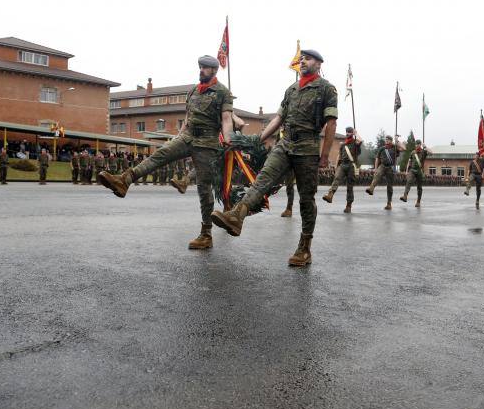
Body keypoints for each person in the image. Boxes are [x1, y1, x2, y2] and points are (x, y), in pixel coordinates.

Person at [211, 49, 338, 266]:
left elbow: (331, 123)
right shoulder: (292, 90)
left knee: (306, 199)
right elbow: (279, 118)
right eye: (302, 59)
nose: (303, 61)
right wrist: (259, 139)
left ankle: (304, 248)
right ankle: (237, 217)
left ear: (319, 64)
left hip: (307, 148)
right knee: (262, 180)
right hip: (285, 144)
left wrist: (325, 155)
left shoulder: (327, 89)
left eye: (308, 59)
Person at [98, 55, 234, 251]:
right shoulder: (194, 91)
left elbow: (227, 118)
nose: (201, 70)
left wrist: (228, 141)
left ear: (214, 70)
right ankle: (124, 180)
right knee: (160, 154)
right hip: (187, 137)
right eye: (200, 67)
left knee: (204, 189)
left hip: (207, 143)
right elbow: (188, 118)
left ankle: (206, 234)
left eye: (205, 68)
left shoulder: (223, 92)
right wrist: (177, 138)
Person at [322, 127, 362, 213]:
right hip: (343, 165)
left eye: (349, 132)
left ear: (352, 133)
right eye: (347, 132)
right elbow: (339, 156)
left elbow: (360, 141)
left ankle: (348, 205)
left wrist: (356, 133)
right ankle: (330, 195)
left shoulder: (355, 143)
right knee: (336, 178)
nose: (347, 133)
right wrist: (336, 167)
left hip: (351, 166)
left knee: (349, 186)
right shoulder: (343, 145)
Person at [366, 135, 403, 210]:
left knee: (389, 186)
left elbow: (404, 148)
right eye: (386, 139)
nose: (386, 141)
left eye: (388, 140)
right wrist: (376, 168)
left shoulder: (395, 148)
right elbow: (377, 158)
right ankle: (371, 189)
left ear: (391, 141)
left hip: (391, 167)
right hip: (382, 165)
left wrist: (397, 140)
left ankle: (389, 203)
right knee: (377, 175)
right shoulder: (382, 149)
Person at [400, 140, 429, 207]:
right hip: (412, 170)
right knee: (409, 181)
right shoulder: (413, 152)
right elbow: (409, 161)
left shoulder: (424, 152)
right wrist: (407, 171)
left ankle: (418, 201)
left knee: (419, 187)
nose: (417, 145)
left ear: (420, 145)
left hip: (419, 171)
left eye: (418, 144)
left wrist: (425, 146)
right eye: (416, 144)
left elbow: (431, 152)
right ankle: (405, 196)